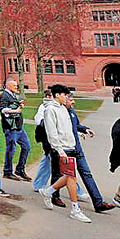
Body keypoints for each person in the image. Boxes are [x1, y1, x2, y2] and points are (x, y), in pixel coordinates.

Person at [38, 84, 92, 223]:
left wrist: (79, 134)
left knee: (68, 177)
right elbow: (52, 132)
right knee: (71, 177)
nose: (66, 97)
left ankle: (48, 192)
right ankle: (75, 209)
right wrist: (59, 150)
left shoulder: (63, 109)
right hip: (61, 149)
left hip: (70, 146)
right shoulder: (50, 110)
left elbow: (68, 128)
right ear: (57, 95)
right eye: (64, 95)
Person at [57, 93, 117, 213]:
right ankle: (53, 195)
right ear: (63, 99)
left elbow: (76, 125)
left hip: (77, 148)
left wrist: (85, 129)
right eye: (71, 100)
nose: (73, 102)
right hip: (65, 149)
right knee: (60, 174)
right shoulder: (58, 112)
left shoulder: (71, 111)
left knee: (86, 174)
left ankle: (98, 203)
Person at [0, 78, 31, 181]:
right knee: (11, 149)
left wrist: (19, 104)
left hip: (18, 126)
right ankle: (7, 171)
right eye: (14, 86)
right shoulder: (4, 95)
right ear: (8, 86)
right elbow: (2, 109)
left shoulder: (12, 95)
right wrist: (15, 111)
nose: (16, 87)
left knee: (26, 147)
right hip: (11, 127)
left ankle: (20, 169)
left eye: (16, 85)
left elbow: (12, 105)